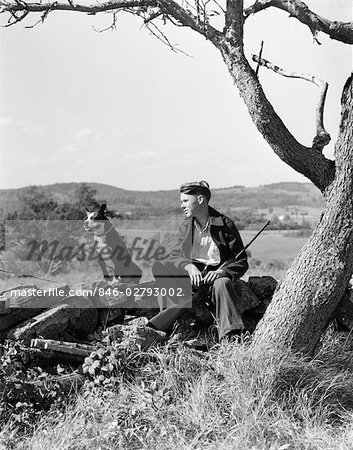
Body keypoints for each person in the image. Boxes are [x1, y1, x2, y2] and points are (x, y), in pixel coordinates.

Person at [146, 181, 249, 341]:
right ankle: (169, 318)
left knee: (223, 284)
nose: (182, 205)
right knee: (160, 267)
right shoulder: (186, 226)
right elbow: (173, 255)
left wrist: (222, 272)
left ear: (200, 199)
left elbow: (240, 260)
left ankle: (232, 336)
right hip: (192, 278)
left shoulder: (226, 225)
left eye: (185, 201)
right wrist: (189, 267)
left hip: (216, 277)